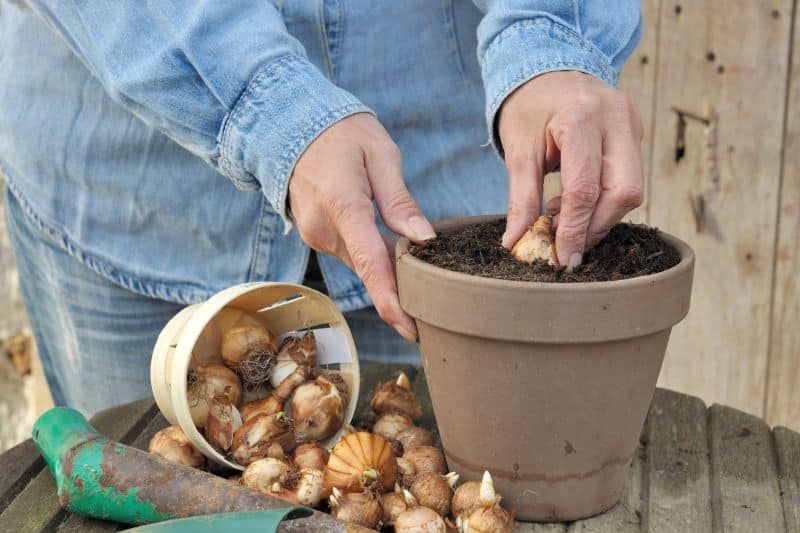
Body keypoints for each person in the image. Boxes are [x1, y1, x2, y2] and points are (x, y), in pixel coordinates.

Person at [0, 1, 644, 415]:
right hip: (140, 193)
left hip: (436, 197)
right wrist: (270, 109)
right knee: (144, 490)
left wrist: (552, 35)